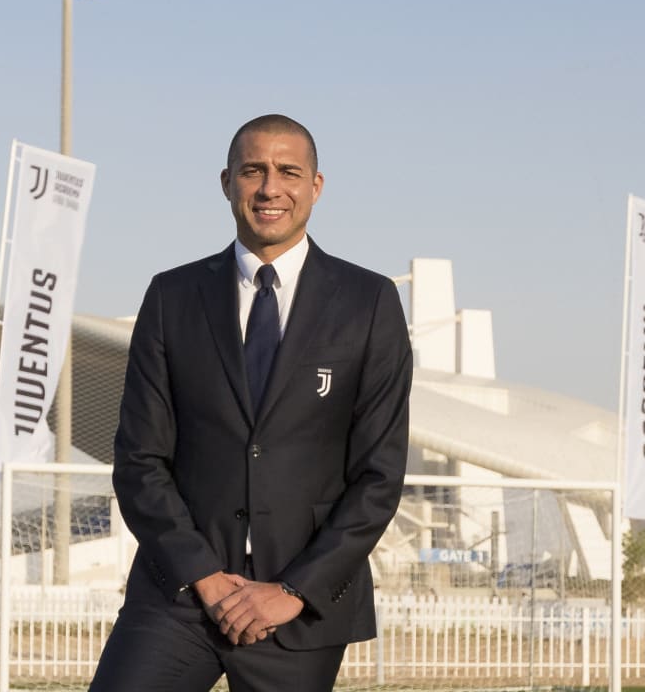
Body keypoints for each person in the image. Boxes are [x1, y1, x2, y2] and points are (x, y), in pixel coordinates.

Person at [89, 114, 413, 691]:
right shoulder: (172, 297)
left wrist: (291, 591)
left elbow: (379, 476)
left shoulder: (369, 302)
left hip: (297, 607)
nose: (270, 188)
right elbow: (139, 460)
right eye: (252, 171)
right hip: (180, 596)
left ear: (315, 186)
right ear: (226, 182)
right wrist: (205, 579)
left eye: (288, 172)